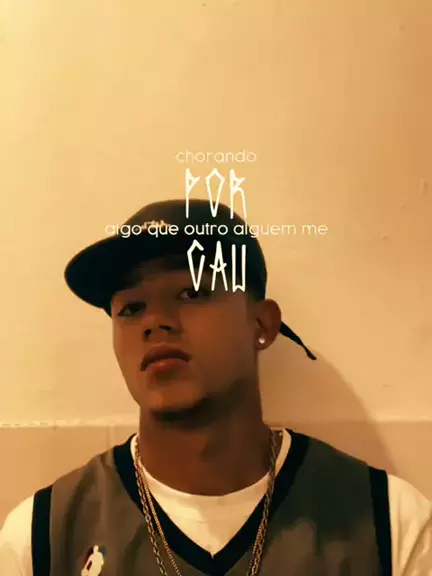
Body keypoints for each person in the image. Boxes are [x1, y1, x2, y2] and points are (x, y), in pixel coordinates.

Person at [0, 198, 430, 575]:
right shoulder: (42, 538)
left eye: (192, 294)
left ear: (261, 324)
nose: (155, 322)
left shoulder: (389, 525)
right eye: (131, 308)